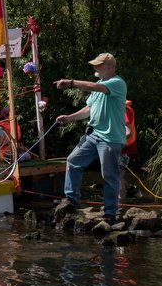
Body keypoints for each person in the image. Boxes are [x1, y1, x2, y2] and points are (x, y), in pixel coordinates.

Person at [54, 53, 127, 223]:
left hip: (110, 138)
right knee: (73, 160)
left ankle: (110, 213)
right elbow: (88, 110)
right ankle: (71, 200)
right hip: (93, 135)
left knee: (109, 175)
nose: (95, 67)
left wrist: (71, 82)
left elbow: (94, 87)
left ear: (110, 67)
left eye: (98, 65)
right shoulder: (99, 85)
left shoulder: (117, 83)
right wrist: (69, 118)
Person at [119, 99, 138, 201]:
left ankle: (119, 203)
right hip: (122, 146)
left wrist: (116, 145)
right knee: (112, 174)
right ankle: (131, 189)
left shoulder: (125, 110)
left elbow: (128, 133)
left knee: (118, 176)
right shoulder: (118, 107)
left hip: (125, 147)